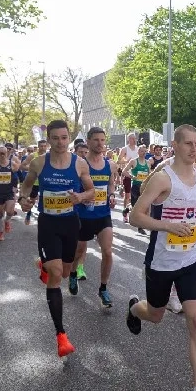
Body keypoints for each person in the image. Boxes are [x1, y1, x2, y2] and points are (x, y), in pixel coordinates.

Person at [126, 124, 196, 391]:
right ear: (176, 145)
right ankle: (134, 309)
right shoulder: (162, 178)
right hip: (161, 262)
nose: (195, 149)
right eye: (188, 144)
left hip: (190, 260)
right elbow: (135, 216)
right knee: (155, 315)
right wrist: (168, 226)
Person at [19, 120, 97, 359]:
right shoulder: (39, 163)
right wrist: (23, 200)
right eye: (55, 138)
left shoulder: (79, 163)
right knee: (55, 274)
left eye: (64, 138)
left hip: (70, 223)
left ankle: (43, 265)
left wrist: (81, 197)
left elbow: (92, 191)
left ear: (68, 138)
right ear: (49, 139)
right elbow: (26, 187)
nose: (60, 142)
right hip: (48, 223)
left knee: (64, 273)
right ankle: (61, 335)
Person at [72, 126, 116, 308]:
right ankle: (73, 273)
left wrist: (111, 195)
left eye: (102, 140)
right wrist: (82, 197)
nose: (100, 143)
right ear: (88, 141)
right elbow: (73, 188)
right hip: (83, 216)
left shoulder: (110, 165)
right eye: (96, 140)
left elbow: (111, 184)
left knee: (107, 251)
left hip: (103, 215)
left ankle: (103, 288)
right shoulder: (80, 164)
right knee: (78, 251)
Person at [0, 145, 19, 242]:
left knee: (10, 212)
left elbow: (17, 176)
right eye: (0, 153)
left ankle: (7, 221)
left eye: (4, 153)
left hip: (9, 192)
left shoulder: (13, 164)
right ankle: (0, 232)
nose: (2, 155)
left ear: (7, 154)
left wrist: (17, 187)